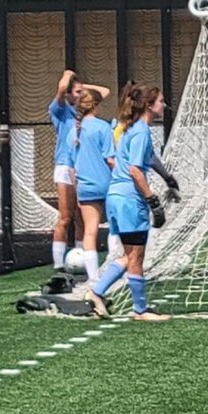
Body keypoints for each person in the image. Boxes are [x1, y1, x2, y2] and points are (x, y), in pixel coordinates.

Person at [87, 84, 171, 322]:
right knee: (136, 256)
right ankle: (140, 309)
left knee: (129, 255)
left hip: (116, 196)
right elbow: (135, 170)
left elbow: (150, 158)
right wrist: (152, 200)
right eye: (161, 101)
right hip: (128, 199)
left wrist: (168, 177)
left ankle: (97, 292)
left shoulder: (132, 129)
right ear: (149, 105)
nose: (163, 105)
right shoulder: (141, 131)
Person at [70, 88, 114, 286]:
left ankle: (93, 277)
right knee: (115, 228)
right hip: (106, 183)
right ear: (96, 106)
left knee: (90, 231)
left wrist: (77, 189)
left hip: (85, 186)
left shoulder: (74, 130)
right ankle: (116, 269)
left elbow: (72, 168)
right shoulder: (103, 127)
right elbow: (110, 159)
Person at [48, 70, 83, 268]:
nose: (81, 95)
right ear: (69, 94)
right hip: (64, 166)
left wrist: (82, 87)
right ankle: (58, 264)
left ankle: (81, 260)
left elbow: (104, 92)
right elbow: (62, 88)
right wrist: (68, 74)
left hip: (80, 167)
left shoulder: (79, 113)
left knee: (81, 217)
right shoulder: (60, 110)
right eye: (77, 92)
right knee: (65, 217)